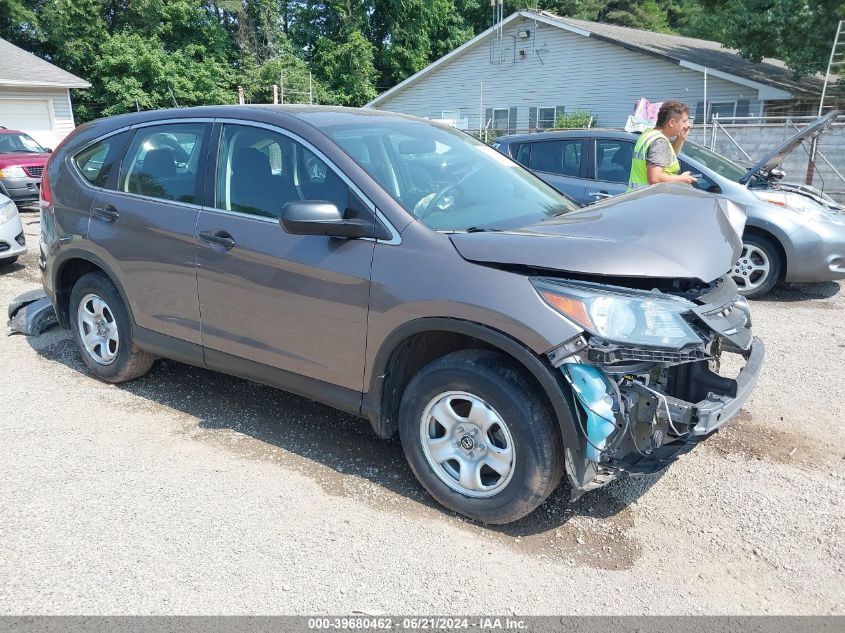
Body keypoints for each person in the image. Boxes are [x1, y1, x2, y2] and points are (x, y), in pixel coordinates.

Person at [627, 100, 697, 191]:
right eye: (684, 121)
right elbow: (655, 178)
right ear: (671, 122)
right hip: (648, 199)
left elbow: (664, 159)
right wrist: (682, 178)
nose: (686, 125)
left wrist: (681, 138)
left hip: (638, 198)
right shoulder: (659, 142)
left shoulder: (649, 134)